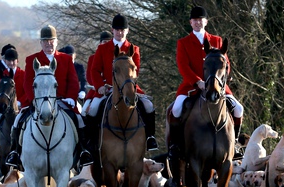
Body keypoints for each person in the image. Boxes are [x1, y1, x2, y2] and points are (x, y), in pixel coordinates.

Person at [5, 25, 93, 169]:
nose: (48, 43)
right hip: (38, 102)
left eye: (51, 40)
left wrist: (71, 97)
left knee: (79, 119)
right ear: (41, 43)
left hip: (63, 100)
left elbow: (72, 81)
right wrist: (33, 98)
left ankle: (83, 151)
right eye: (45, 41)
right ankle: (15, 152)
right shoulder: (32, 59)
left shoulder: (65, 59)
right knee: (18, 119)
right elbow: (27, 83)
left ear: (56, 42)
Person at [167, 6, 244, 160]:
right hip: (191, 86)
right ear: (190, 22)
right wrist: (197, 82)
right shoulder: (183, 42)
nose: (197, 22)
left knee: (239, 109)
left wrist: (222, 80)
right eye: (195, 20)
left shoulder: (217, 40)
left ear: (206, 22)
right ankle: (175, 144)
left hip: (217, 87)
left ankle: (234, 143)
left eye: (200, 20)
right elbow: (183, 66)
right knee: (176, 109)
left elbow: (226, 63)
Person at [88, 14, 158, 151]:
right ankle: (91, 142)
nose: (120, 32)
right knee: (92, 110)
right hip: (107, 89)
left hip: (128, 88)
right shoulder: (102, 48)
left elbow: (135, 72)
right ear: (112, 30)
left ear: (127, 31)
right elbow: (94, 70)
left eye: (122, 30)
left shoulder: (134, 49)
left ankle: (150, 138)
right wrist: (100, 87)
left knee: (148, 105)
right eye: (117, 30)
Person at [0, 48, 28, 157]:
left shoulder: (23, 74)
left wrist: (20, 102)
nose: (11, 63)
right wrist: (2, 102)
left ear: (17, 61)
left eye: (13, 60)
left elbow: (28, 91)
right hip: (5, 107)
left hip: (21, 107)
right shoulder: (0, 75)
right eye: (9, 60)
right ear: (5, 61)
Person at [82, 31, 112, 116]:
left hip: (113, 89)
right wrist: (100, 85)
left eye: (109, 42)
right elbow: (89, 77)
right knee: (87, 110)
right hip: (98, 91)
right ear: (100, 43)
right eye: (104, 42)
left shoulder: (116, 57)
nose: (106, 44)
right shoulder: (92, 58)